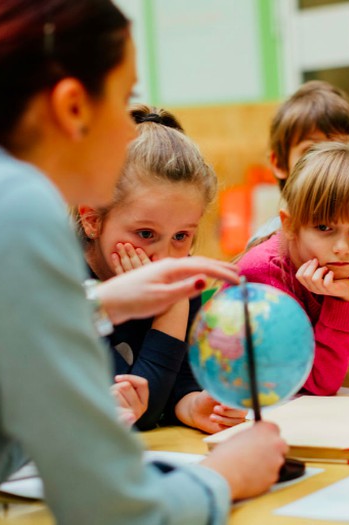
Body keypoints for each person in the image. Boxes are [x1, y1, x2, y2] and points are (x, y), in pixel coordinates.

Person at [0, 1, 287, 522]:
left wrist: (101, 301)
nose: (134, 129)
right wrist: (225, 475)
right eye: (126, 99)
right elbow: (112, 511)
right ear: (72, 106)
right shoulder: (13, 205)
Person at [77, 104, 247, 432]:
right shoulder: (62, 283)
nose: (165, 258)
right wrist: (173, 307)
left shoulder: (180, 270)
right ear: (92, 219)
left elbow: (174, 385)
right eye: (145, 234)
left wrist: (192, 405)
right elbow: (133, 413)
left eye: (182, 236)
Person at [250, 80, 349, 360]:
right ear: (279, 163)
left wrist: (344, 294)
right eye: (311, 151)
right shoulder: (266, 249)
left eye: (339, 149)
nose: (329, 162)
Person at [238, 141, 349, 396]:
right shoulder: (263, 273)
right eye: (324, 228)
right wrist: (342, 302)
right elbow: (321, 382)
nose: (343, 248)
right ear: (290, 225)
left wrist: (341, 296)